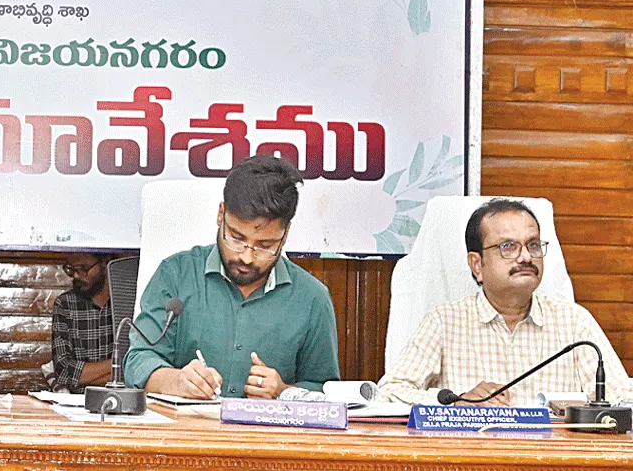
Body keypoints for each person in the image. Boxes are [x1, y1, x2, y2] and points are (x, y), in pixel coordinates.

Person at [124, 154, 339, 399]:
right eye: (236, 238)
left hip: (271, 426)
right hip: (185, 423)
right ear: (221, 214)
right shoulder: (175, 274)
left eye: (265, 246)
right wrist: (177, 382)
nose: (247, 257)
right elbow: (138, 359)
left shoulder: (312, 298)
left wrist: (283, 391)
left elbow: (325, 391)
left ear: (285, 233)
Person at [379, 198, 630, 405]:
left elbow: (623, 398)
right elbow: (390, 392)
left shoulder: (573, 322)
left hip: (553, 451)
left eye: (533, 245)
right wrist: (457, 401)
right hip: (472, 450)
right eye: (508, 246)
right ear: (477, 264)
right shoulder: (445, 322)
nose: (525, 257)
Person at [51, 253, 113, 391]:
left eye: (83, 268)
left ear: (105, 263)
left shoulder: (126, 301)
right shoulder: (65, 303)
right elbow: (63, 372)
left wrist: (83, 378)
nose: (76, 276)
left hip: (121, 398)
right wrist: (119, 365)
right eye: (71, 269)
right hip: (78, 401)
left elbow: (137, 370)